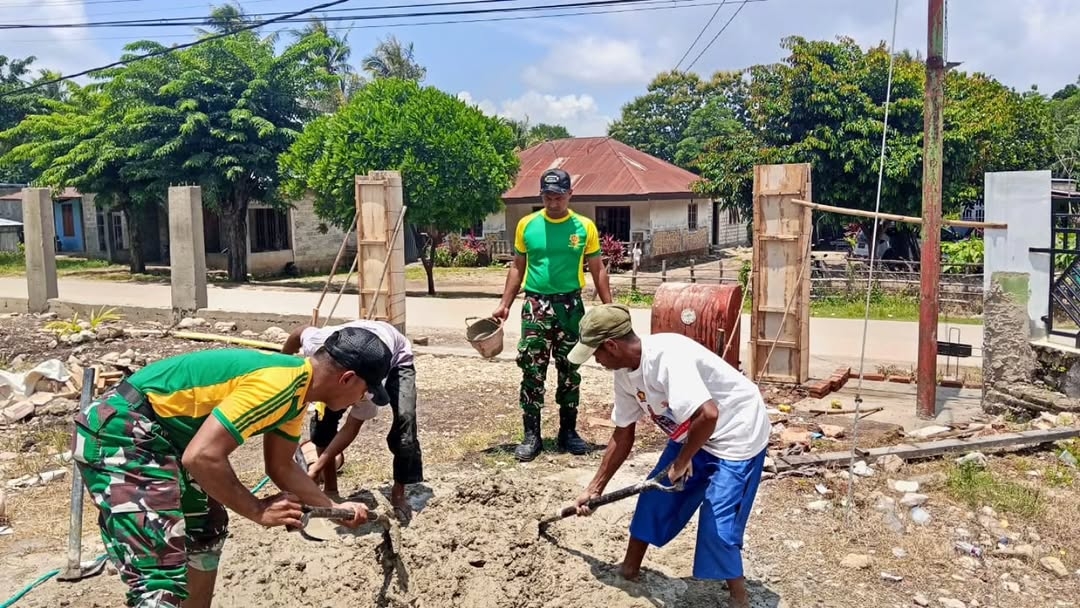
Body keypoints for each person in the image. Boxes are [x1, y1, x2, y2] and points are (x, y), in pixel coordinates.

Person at [71, 327, 391, 608]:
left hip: (162, 437)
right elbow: (202, 457)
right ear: (347, 378)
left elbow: (282, 467)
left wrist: (334, 508)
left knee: (206, 530)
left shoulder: (297, 394)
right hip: (124, 429)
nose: (361, 398)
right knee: (159, 571)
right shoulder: (279, 384)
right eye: (366, 390)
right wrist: (257, 509)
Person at [565, 304, 770, 608]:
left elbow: (709, 414)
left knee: (717, 520)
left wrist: (682, 461)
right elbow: (623, 434)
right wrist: (595, 488)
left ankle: (739, 599)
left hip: (736, 433)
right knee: (655, 496)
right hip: (693, 430)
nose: (596, 360)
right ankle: (629, 569)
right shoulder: (624, 373)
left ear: (611, 345)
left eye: (596, 353)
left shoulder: (667, 358)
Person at [492, 167, 613, 462]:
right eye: (547, 196)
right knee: (532, 369)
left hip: (571, 307)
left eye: (558, 196)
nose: (553, 202)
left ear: (570, 194)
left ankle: (568, 432)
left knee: (570, 368)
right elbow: (517, 266)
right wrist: (505, 303)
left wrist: (610, 308)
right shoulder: (527, 225)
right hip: (536, 306)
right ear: (541, 196)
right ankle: (531, 435)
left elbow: (597, 268)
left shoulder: (584, 227)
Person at [282, 319, 421, 517]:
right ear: (346, 379)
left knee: (404, 420)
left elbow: (351, 427)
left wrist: (317, 467)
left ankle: (398, 493)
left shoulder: (368, 388)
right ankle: (331, 490)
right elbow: (299, 333)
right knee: (322, 425)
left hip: (396, 357)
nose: (359, 399)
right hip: (352, 347)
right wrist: (283, 366)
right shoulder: (316, 346)